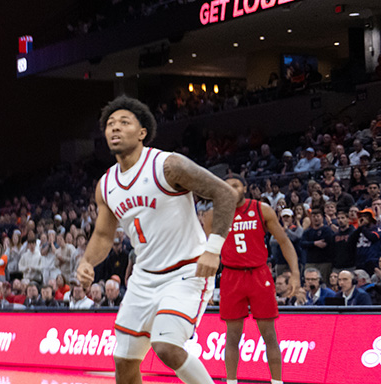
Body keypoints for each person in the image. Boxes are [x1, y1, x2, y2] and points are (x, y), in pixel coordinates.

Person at [77, 96, 239, 384]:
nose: (115, 129)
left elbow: (224, 193)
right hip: (143, 278)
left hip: (187, 271)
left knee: (166, 347)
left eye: (124, 123)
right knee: (124, 365)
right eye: (110, 124)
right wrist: (87, 261)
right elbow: (103, 234)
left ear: (142, 133)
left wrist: (213, 249)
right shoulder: (107, 185)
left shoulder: (167, 165)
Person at [207, 175, 301, 384]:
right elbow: (207, 253)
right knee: (232, 336)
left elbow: (284, 242)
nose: (230, 189)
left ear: (245, 188)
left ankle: (277, 382)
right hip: (231, 276)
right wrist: (206, 286)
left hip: (259, 274)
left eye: (235, 185)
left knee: (269, 335)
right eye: (226, 186)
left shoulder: (261, 209)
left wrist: (295, 274)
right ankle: (231, 382)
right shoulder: (214, 215)